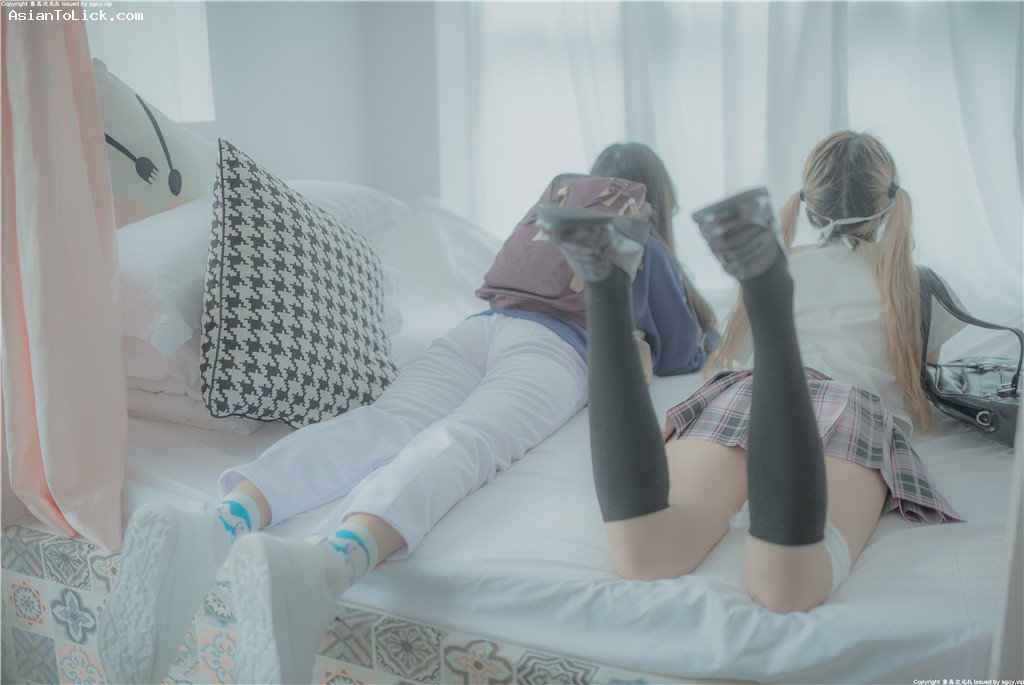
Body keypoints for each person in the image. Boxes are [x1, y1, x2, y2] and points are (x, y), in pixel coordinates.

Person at [98, 142, 718, 684]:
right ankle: (328, 562)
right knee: (467, 439)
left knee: (384, 420)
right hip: (554, 351)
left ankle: (221, 520)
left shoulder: (554, 218)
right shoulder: (641, 240)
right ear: (654, 196)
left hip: (477, 329)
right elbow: (682, 352)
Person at [539, 130, 962, 615]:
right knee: (788, 585)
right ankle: (769, 294)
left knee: (645, 551)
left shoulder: (799, 260)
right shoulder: (918, 284)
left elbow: (732, 353)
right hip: (849, 404)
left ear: (808, 205)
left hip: (747, 392)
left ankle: (609, 285)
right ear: (889, 203)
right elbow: (926, 379)